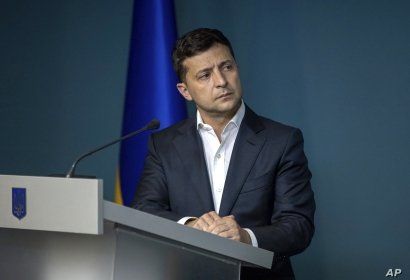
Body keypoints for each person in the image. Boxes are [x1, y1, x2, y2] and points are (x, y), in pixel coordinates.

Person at [133, 28, 315, 279]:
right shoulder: (163, 144)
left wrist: (245, 237)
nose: (221, 81)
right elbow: (144, 209)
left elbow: (298, 226)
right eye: (205, 75)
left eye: (226, 67)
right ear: (185, 91)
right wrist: (190, 226)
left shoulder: (282, 141)